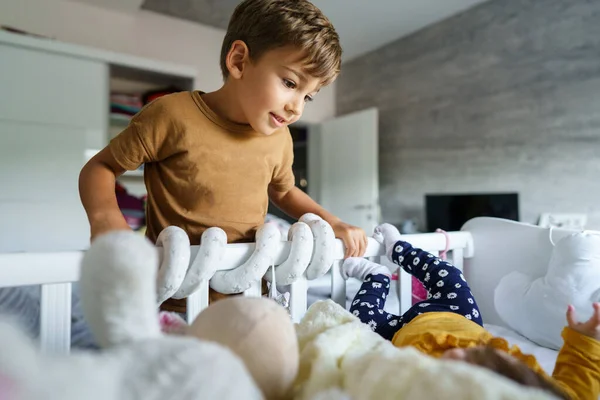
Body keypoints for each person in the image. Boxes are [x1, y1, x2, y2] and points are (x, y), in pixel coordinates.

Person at [78, 0, 367, 312]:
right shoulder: (171, 115)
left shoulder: (279, 138)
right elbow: (101, 167)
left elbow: (283, 190)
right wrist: (106, 219)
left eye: (307, 96)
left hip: (252, 295)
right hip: (174, 297)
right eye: (290, 83)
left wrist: (332, 221)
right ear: (239, 61)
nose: (296, 107)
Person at [341, 223, 600, 400]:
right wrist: (585, 341)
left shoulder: (417, 382)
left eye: (460, 371)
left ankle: (376, 277)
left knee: (362, 322)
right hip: (458, 316)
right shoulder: (536, 390)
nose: (455, 351)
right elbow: (576, 388)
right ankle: (398, 249)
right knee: (451, 276)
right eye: (473, 356)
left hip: (400, 334)